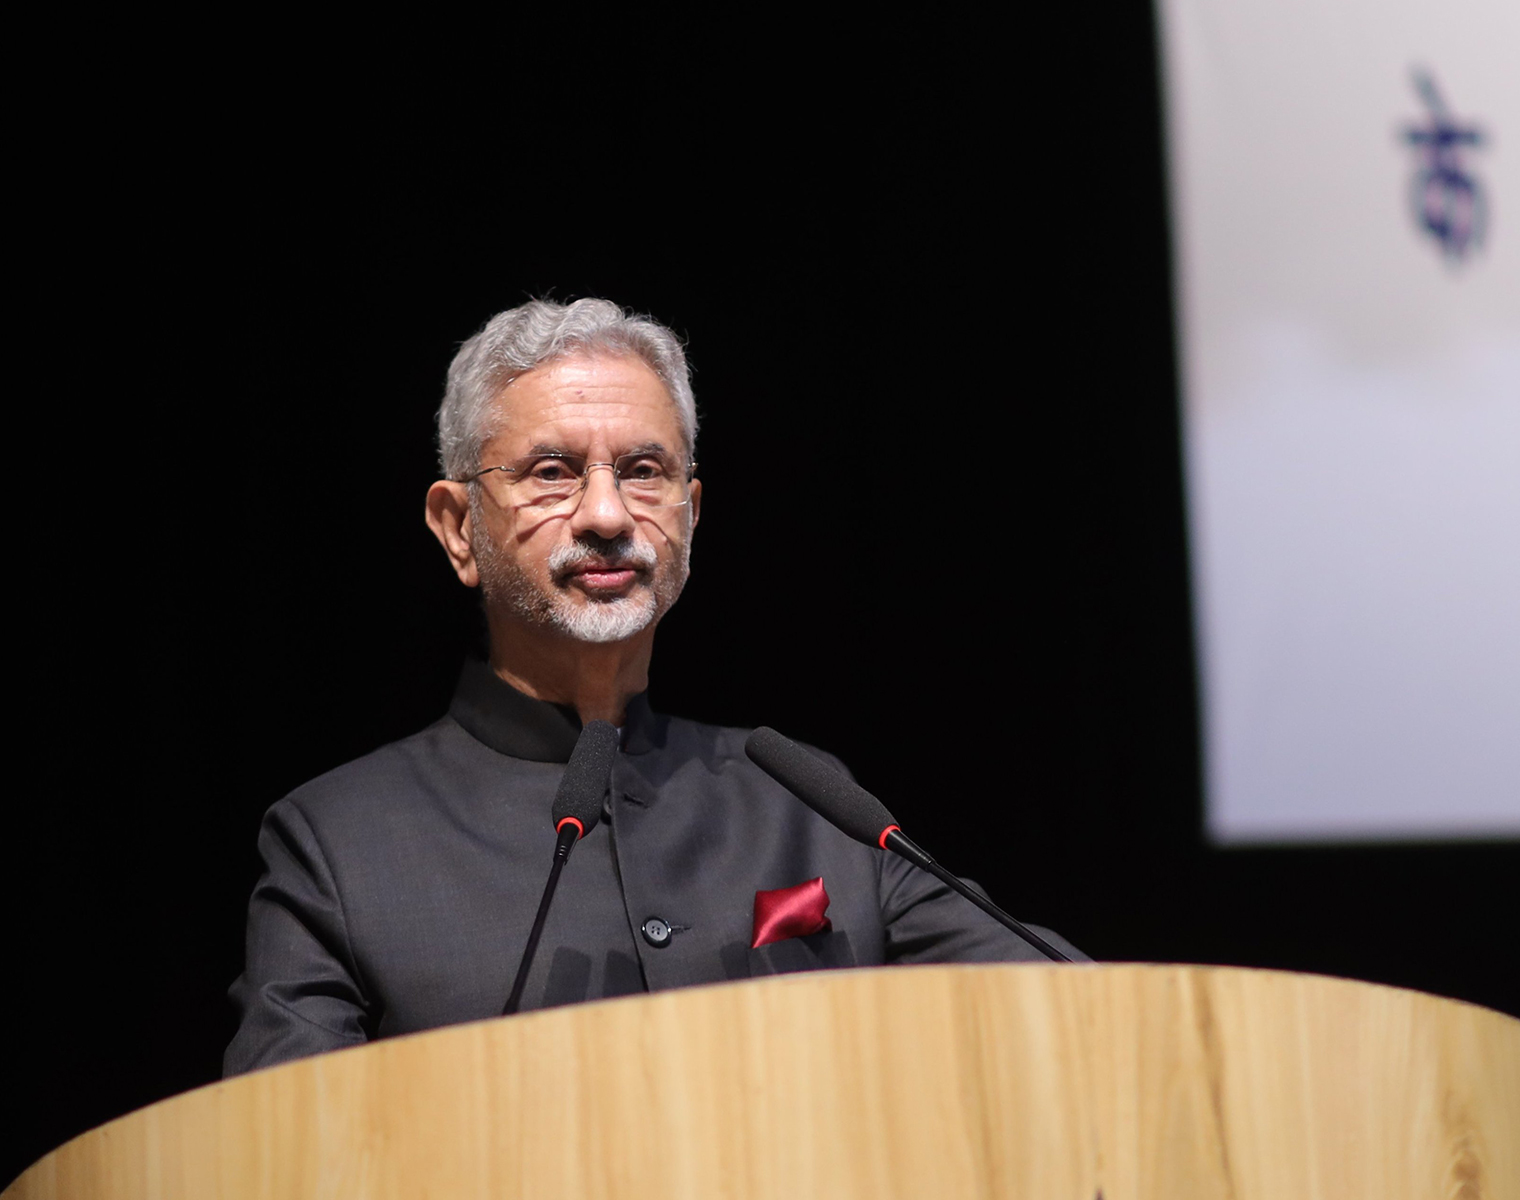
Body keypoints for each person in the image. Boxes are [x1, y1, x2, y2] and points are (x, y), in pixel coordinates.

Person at [224, 298, 1081, 1075]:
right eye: (552, 472)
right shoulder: (337, 843)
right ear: (458, 529)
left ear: (691, 514)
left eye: (644, 470)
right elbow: (281, 1156)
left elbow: (1077, 1014)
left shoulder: (808, 803)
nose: (605, 516)